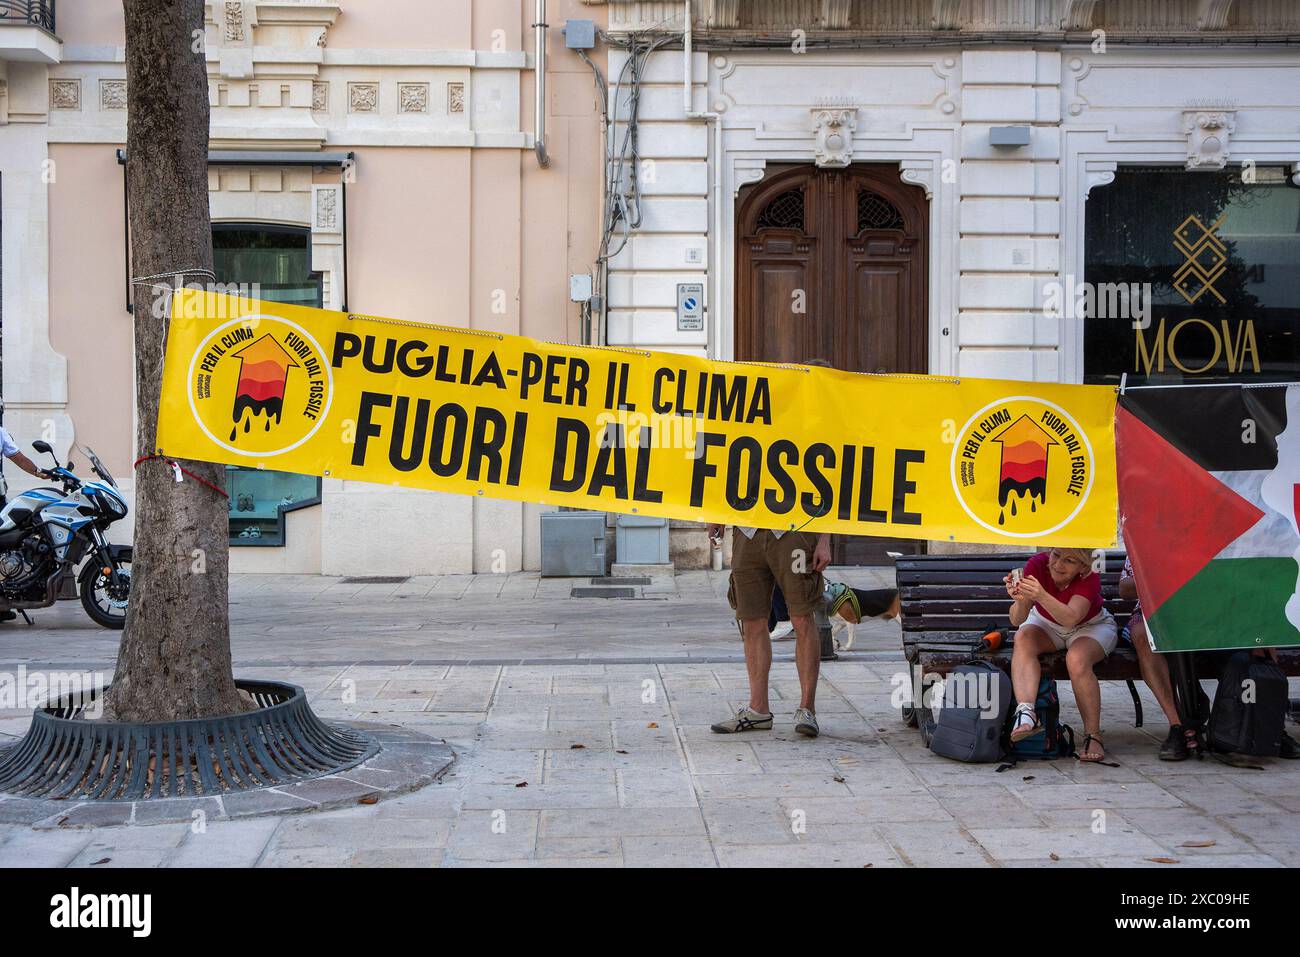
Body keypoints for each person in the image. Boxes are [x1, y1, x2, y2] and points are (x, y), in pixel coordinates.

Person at [709, 522, 830, 737]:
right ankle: (758, 710)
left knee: (802, 617)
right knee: (751, 620)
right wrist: (716, 515)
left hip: (796, 529)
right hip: (747, 531)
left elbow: (833, 487)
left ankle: (807, 710)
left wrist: (825, 538)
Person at [1005, 547, 1117, 762]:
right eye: (1056, 555)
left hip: (1090, 626)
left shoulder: (1091, 574)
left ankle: (1093, 735)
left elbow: (1071, 618)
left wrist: (1041, 595)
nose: (1058, 564)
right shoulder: (1037, 564)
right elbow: (1016, 620)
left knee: (1076, 659)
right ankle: (1027, 713)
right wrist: (1020, 599)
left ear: (1083, 567)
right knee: (1023, 637)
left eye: (1070, 560)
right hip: (1047, 624)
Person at [1118, 557, 1198, 760]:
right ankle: (1177, 724)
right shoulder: (1142, 538)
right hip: (1153, 612)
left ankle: (1254, 722)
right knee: (1142, 635)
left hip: (1200, 612)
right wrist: (1165, 577)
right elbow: (1125, 589)